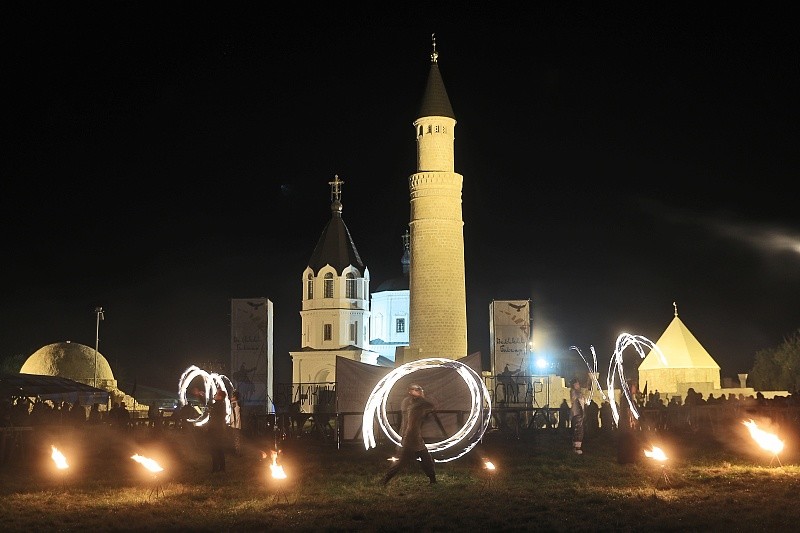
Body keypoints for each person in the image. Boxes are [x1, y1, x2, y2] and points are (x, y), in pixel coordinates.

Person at [381, 384, 446, 486]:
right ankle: (385, 479)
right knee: (403, 461)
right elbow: (431, 405)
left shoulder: (415, 404)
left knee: (425, 460)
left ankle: (433, 480)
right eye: (416, 390)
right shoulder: (413, 405)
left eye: (419, 389)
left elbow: (432, 406)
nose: (419, 391)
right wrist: (421, 396)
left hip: (415, 437)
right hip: (411, 437)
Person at [617, 380, 641, 464]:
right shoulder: (626, 397)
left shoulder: (627, 396)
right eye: (634, 386)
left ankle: (628, 458)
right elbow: (627, 409)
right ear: (630, 387)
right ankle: (627, 459)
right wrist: (631, 421)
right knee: (627, 440)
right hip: (626, 423)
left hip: (626, 422)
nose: (636, 388)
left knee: (628, 440)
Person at [207, 389, 228, 473]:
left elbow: (210, 406)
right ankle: (222, 468)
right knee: (219, 449)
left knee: (214, 449)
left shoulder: (218, 405)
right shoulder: (220, 405)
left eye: (216, 394)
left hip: (215, 431)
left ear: (220, 397)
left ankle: (215, 468)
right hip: (218, 431)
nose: (214, 395)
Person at [569, 378, 585, 454]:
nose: (579, 385)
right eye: (577, 384)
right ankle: (576, 447)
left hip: (579, 413)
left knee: (579, 430)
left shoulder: (578, 392)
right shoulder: (574, 392)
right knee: (578, 430)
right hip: (577, 414)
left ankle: (576, 446)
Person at [229, 390, 242, 456]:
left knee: (236, 439)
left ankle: (237, 452)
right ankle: (236, 451)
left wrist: (232, 423)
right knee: (235, 439)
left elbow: (235, 415)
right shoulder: (234, 404)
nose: (230, 398)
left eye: (232, 397)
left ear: (235, 397)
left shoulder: (234, 404)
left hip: (235, 425)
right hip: (235, 425)